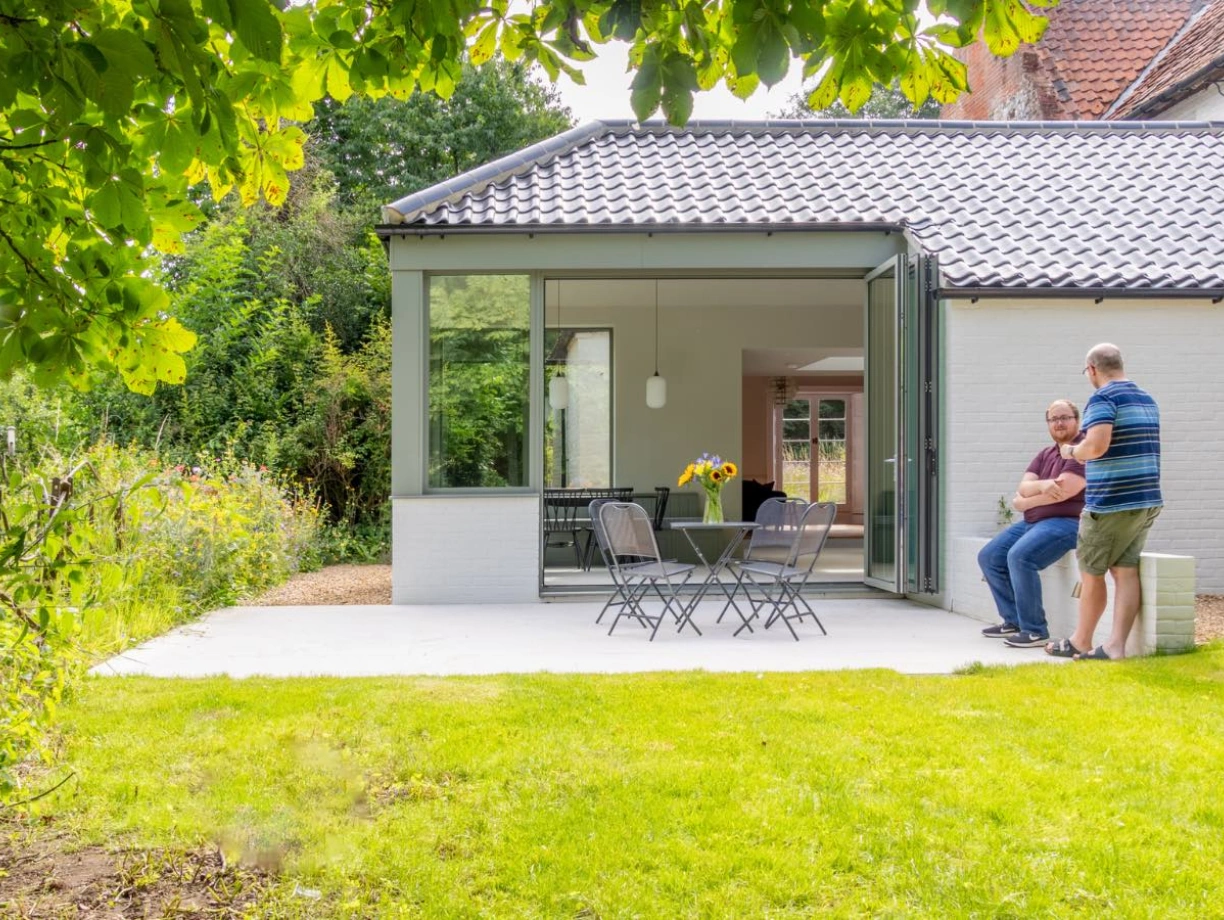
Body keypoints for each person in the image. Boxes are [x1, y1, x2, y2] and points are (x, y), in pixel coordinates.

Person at [1046, 343, 1162, 660]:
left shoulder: (1103, 398)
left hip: (1111, 502)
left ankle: (1081, 640)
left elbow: (1096, 447)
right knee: (1124, 570)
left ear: (1093, 369)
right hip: (1146, 499)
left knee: (1091, 571)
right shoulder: (1146, 398)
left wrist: (1072, 450)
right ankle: (1115, 646)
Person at [978, 400, 1087, 647]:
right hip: (1034, 523)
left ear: (1076, 420)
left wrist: (1025, 502)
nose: (1059, 423)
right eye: (1053, 419)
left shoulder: (1081, 450)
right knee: (989, 557)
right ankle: (1014, 620)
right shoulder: (1045, 454)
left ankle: (1035, 630)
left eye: (1065, 417)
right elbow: (1022, 487)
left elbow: (1066, 490)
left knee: (1020, 556)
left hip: (1067, 523)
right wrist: (1042, 487)